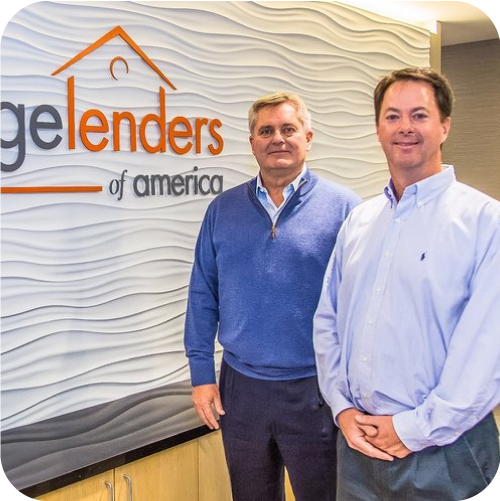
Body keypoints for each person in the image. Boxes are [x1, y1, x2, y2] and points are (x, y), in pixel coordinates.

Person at [313, 66, 500, 501]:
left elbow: (487, 350)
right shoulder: (359, 221)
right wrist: (342, 408)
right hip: (358, 446)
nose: (405, 127)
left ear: (445, 126)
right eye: (392, 116)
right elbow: (327, 321)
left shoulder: (485, 222)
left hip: (447, 451)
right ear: (379, 128)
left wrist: (414, 429)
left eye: (419, 115)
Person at [184, 91, 361, 501]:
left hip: (315, 389)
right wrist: (201, 374)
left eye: (288, 129)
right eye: (266, 131)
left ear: (308, 137)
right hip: (241, 390)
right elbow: (202, 294)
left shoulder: (345, 209)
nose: (277, 138)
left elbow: (363, 305)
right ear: (252, 143)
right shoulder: (222, 210)